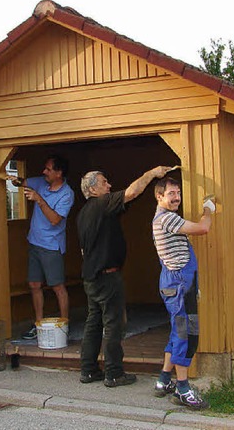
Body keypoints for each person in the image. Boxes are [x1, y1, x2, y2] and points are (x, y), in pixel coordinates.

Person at [77, 165, 173, 388]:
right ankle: (114, 373)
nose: (109, 185)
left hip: (91, 276)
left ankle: (89, 370)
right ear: (92, 189)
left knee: (93, 323)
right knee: (114, 324)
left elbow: (127, 202)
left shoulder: (85, 212)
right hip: (107, 277)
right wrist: (152, 173)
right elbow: (130, 193)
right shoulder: (102, 204)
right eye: (104, 182)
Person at [152, 177, 213, 409]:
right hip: (178, 285)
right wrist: (208, 209)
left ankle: (163, 381)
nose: (176, 197)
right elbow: (203, 228)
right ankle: (183, 388)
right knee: (186, 333)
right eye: (171, 193)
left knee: (179, 331)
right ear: (159, 197)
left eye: (178, 192)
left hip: (178, 284)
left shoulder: (167, 217)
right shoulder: (166, 218)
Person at [8, 155, 75, 340]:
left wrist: (39, 199)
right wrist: (13, 179)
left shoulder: (67, 194)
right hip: (34, 242)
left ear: (59, 173)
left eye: (48, 169)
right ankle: (38, 325)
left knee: (57, 286)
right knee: (34, 285)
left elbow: (55, 220)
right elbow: (23, 182)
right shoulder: (41, 182)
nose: (44, 172)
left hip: (52, 245)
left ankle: (64, 326)